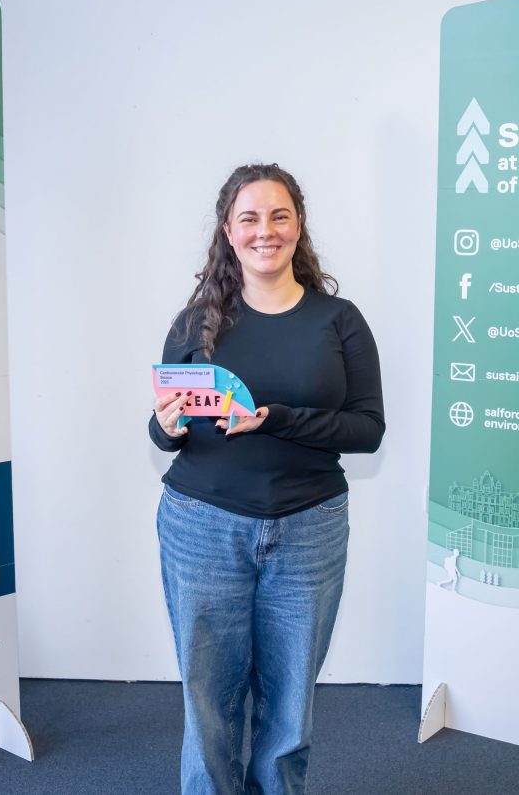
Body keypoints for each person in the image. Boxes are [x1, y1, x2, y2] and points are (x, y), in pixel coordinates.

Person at [149, 163, 384, 793]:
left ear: (298, 226)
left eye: (279, 216)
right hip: (202, 526)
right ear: (228, 231)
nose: (265, 231)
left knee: (288, 709)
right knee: (208, 702)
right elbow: (164, 426)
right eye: (249, 218)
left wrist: (276, 419)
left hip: (309, 531)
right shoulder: (195, 321)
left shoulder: (340, 320)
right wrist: (166, 426)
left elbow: (367, 431)